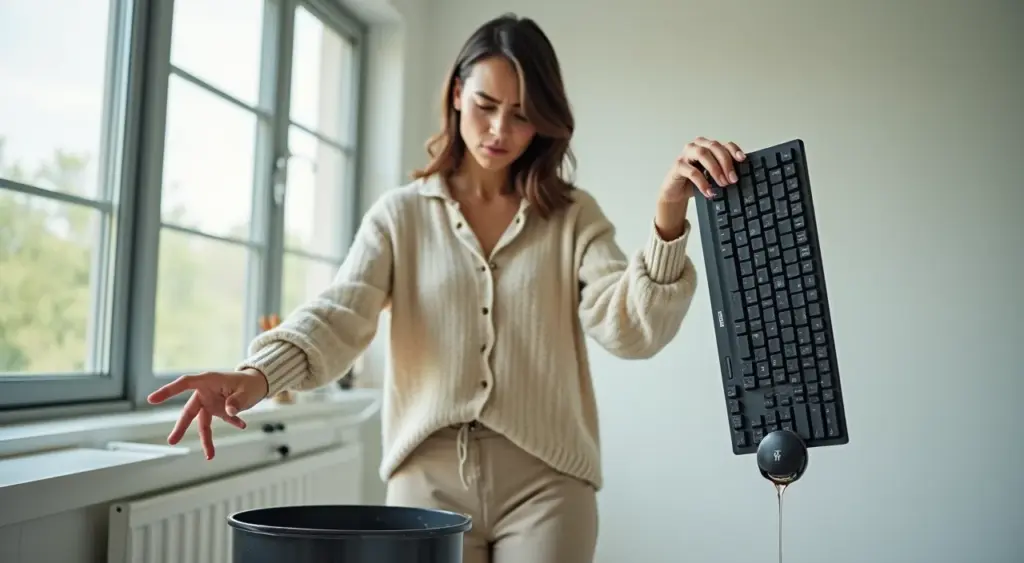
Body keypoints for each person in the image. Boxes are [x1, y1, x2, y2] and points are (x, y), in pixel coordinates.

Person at [147, 13, 746, 563]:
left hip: (548, 482)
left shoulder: (572, 217)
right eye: (485, 104)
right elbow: (340, 315)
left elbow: (631, 327)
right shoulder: (400, 215)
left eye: (521, 113)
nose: (499, 129)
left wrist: (669, 218)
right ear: (457, 93)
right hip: (424, 480)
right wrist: (257, 375)